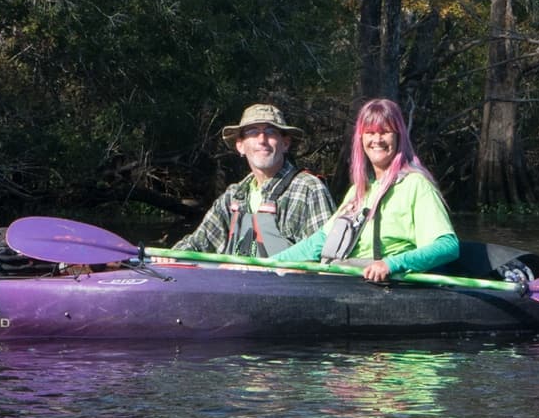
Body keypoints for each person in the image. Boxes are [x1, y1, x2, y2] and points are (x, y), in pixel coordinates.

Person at [271, 98, 458, 281]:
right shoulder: (359, 190)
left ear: (398, 136)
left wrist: (390, 264)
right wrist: (269, 264)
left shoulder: (416, 184)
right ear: (361, 138)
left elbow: (447, 246)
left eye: (385, 132)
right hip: (344, 279)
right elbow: (318, 242)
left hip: (388, 287)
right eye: (370, 132)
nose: (377, 139)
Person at [169, 103, 336, 257]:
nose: (262, 140)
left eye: (271, 132)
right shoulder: (233, 196)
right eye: (253, 132)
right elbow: (197, 245)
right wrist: (168, 259)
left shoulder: (309, 188)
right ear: (240, 145)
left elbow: (327, 253)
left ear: (285, 143)